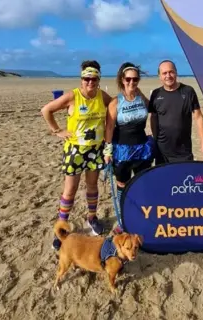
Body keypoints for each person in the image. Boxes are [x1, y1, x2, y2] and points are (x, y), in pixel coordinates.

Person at [41, 60, 112, 250]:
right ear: (82, 80)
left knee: (92, 186)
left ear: (98, 80)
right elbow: (46, 110)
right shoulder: (72, 96)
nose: (90, 82)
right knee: (70, 190)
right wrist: (57, 131)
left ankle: (92, 218)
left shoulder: (101, 96)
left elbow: (113, 107)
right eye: (87, 79)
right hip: (75, 151)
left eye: (94, 79)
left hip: (95, 150)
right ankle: (61, 228)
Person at [104, 62, 154, 234]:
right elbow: (109, 127)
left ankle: (141, 217)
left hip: (143, 149)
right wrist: (108, 150)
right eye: (128, 79)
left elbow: (154, 109)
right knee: (123, 186)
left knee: (142, 184)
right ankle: (123, 220)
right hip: (123, 151)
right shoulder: (115, 102)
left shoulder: (141, 96)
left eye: (135, 79)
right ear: (122, 80)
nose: (132, 82)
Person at [148, 59, 203, 163]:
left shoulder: (188, 91)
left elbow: (198, 117)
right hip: (162, 151)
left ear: (176, 73)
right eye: (164, 73)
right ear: (159, 76)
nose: (168, 76)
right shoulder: (156, 94)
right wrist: (155, 140)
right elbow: (153, 118)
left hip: (183, 151)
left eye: (171, 72)